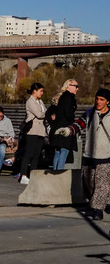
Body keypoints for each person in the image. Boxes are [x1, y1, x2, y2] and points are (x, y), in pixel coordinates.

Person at [56, 88, 110, 221]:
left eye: (101, 99)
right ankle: (97, 204)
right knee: (88, 183)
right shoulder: (89, 113)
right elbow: (78, 125)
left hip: (105, 156)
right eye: (97, 99)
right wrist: (67, 131)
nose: (98, 101)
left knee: (102, 184)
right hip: (89, 155)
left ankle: (98, 210)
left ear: (108, 102)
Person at [18, 82, 46, 185]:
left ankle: (33, 175)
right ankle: (23, 175)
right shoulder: (30, 101)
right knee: (29, 153)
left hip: (41, 130)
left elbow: (44, 112)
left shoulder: (40, 101)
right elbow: (39, 114)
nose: (42, 93)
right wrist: (45, 114)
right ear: (35, 90)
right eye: (41, 91)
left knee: (36, 154)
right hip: (32, 130)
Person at [49, 79, 79, 170]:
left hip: (57, 126)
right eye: (76, 86)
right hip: (65, 127)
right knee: (64, 150)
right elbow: (68, 113)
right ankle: (58, 173)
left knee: (58, 151)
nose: (77, 89)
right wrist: (72, 125)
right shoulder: (69, 97)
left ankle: (55, 172)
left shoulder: (62, 96)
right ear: (68, 86)